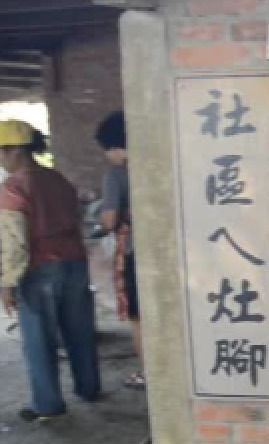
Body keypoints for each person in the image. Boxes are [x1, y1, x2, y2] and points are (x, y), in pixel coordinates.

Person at [0, 120, 101, 422]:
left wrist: (8, 283)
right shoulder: (58, 180)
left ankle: (47, 404)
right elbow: (76, 218)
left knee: (39, 341)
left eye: (0, 152)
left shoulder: (13, 188)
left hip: (39, 270)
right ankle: (88, 388)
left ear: (15, 151)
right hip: (74, 265)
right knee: (80, 333)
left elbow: (15, 242)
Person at [95, 111, 145, 390]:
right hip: (167, 251)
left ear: (115, 147)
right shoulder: (155, 165)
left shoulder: (117, 175)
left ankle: (148, 373)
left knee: (139, 318)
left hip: (135, 253)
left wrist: (103, 217)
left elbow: (110, 220)